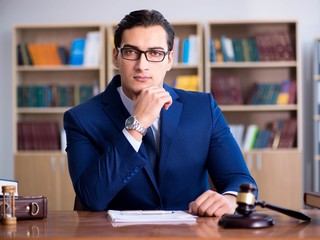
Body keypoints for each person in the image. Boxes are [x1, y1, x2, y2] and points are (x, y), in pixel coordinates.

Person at [64, 9, 257, 217]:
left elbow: (239, 180)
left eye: (155, 53)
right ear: (115, 57)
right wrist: (137, 124)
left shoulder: (203, 108)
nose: (142, 65)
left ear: (170, 59)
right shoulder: (81, 119)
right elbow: (91, 197)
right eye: (131, 52)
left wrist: (229, 199)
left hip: (193, 234)